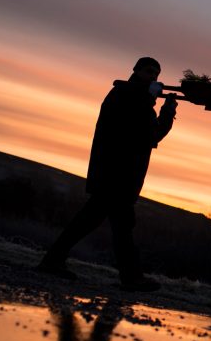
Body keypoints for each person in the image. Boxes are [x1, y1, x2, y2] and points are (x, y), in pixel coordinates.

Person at [38, 57, 177, 292]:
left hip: (116, 175)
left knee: (94, 223)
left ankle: (53, 260)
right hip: (118, 175)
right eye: (148, 71)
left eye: (156, 73)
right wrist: (159, 106)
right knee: (120, 227)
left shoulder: (135, 97)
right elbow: (147, 135)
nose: (152, 76)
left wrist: (165, 110)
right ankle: (131, 277)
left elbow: (150, 135)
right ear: (136, 70)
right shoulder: (128, 96)